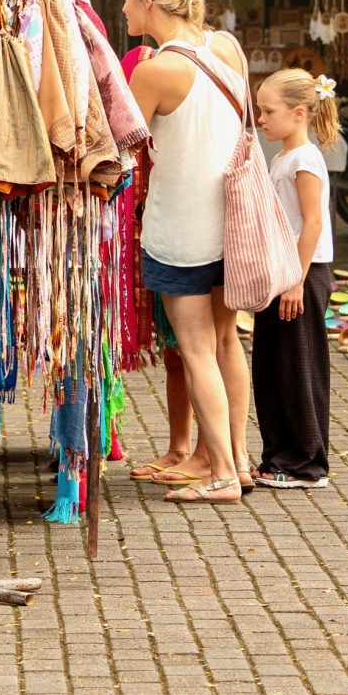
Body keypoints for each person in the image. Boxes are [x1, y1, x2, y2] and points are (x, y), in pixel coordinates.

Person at [122, 0, 250, 507]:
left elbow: (119, 145)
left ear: (148, 1)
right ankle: (237, 459)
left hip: (182, 227)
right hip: (232, 222)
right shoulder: (226, 48)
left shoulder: (153, 70)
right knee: (226, 341)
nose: (124, 8)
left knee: (195, 348)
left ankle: (219, 472)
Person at [252, 68, 337, 490]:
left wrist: (296, 281)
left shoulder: (305, 159)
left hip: (301, 273)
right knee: (273, 368)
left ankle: (306, 462)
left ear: (299, 113)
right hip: (283, 272)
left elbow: (313, 223)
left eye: (269, 111)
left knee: (298, 367)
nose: (262, 118)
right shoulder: (283, 156)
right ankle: (278, 456)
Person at [118, 40, 198, 486]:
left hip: (186, 229)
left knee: (197, 349)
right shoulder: (148, 72)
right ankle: (179, 447)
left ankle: (213, 452)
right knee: (175, 353)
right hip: (150, 231)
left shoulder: (179, 77)